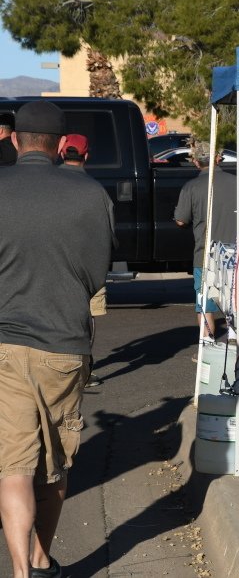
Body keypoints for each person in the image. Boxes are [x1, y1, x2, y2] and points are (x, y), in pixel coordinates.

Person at [0, 100, 114, 578]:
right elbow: (96, 275)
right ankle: (44, 558)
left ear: (14, 140)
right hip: (63, 345)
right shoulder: (90, 195)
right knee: (55, 464)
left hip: (3, 344)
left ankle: (23, 571)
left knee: (14, 466)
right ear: (62, 145)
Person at [59, 133, 116, 388]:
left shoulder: (46, 185)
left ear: (62, 153)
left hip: (55, 264)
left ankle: (62, 366)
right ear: (86, 155)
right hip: (88, 266)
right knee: (88, 316)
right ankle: (85, 368)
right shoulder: (96, 191)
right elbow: (110, 234)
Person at [174, 140, 238, 338]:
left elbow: (181, 221)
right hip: (234, 254)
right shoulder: (236, 182)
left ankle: (207, 347)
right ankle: (237, 347)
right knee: (235, 304)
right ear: (219, 158)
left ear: (195, 162)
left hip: (205, 255)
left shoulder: (190, 187)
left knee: (205, 305)